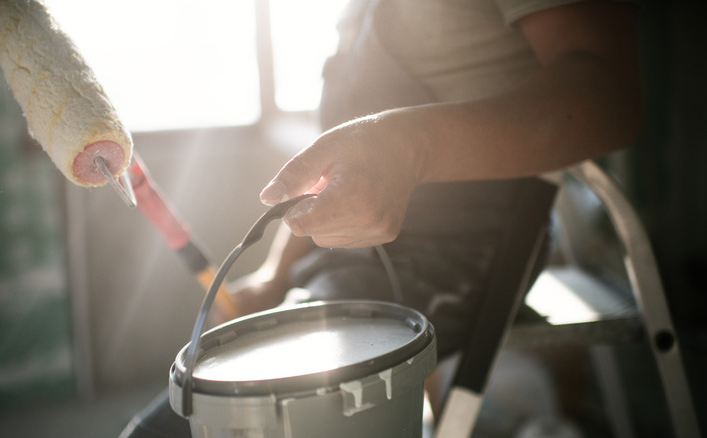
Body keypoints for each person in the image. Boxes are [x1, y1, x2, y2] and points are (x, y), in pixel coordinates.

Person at [120, 0, 641, 436]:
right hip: (345, 267)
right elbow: (330, 179)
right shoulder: (356, 15)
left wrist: (410, 148)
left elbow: (609, 95)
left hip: (467, 252)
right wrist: (275, 278)